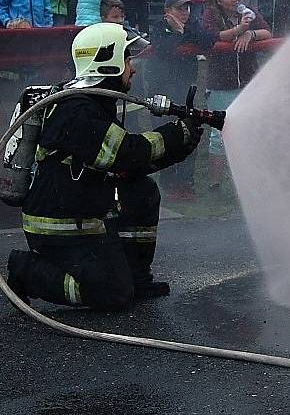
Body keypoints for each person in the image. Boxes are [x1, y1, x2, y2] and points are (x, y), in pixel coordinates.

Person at [6, 22, 205, 309]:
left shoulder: (96, 103)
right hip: (59, 228)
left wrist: (184, 142)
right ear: (107, 62)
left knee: (141, 190)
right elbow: (125, 153)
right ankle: (27, 272)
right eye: (126, 59)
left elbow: (132, 166)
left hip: (82, 212)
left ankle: (137, 277)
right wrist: (176, 134)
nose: (132, 68)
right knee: (112, 292)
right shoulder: (76, 110)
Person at [202, 0, 271, 186]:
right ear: (219, 1)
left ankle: (251, 180)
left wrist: (250, 33)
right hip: (221, 84)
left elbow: (267, 31)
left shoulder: (248, 12)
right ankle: (216, 183)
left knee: (252, 130)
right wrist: (239, 30)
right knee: (219, 133)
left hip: (248, 82)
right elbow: (212, 37)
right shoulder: (211, 14)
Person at [151, 0, 218, 200]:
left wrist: (182, 31)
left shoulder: (192, 25)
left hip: (187, 87)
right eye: (180, 8)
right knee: (168, 134)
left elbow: (207, 40)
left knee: (190, 131)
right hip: (163, 88)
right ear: (167, 11)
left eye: (187, 8)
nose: (185, 12)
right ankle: (170, 184)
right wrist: (179, 34)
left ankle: (186, 184)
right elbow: (166, 48)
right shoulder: (158, 27)